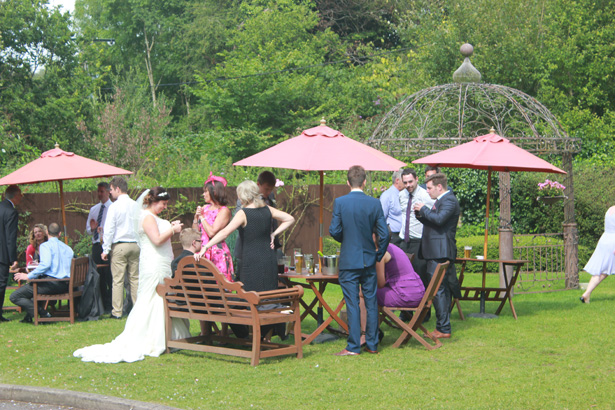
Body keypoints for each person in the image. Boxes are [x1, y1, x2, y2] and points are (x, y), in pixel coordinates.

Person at [74, 187, 190, 363]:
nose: (165, 207)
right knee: (153, 296)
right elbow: (157, 240)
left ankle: (169, 335)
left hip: (161, 260)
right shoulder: (147, 217)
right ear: (153, 201)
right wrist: (172, 230)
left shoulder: (153, 216)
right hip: (154, 262)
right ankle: (152, 337)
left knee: (161, 296)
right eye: (163, 204)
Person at [329, 166, 389, 356]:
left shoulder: (340, 202)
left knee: (352, 303)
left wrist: (345, 240)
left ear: (348, 183)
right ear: (364, 182)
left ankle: (354, 346)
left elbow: (334, 230)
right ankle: (372, 344)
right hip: (368, 261)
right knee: (371, 302)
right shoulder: (374, 203)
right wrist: (378, 255)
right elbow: (384, 234)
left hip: (349, 261)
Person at [196, 180, 294, 293]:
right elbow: (290, 219)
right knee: (268, 291)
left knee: (251, 294)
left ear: (242, 195)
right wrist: (274, 233)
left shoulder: (243, 213)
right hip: (268, 258)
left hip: (251, 259)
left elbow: (225, 232)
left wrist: (206, 246)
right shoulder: (268, 209)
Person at [413, 173, 460, 340]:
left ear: (439, 187)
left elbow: (439, 220)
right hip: (436, 250)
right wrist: (420, 214)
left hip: (440, 251)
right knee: (441, 289)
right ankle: (443, 326)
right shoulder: (442, 201)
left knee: (438, 289)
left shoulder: (449, 200)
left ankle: (443, 327)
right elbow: (435, 223)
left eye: (430, 188)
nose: (428, 191)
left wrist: (424, 209)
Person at [11, 223, 73, 323]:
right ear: (60, 234)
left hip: (51, 284)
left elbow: (45, 265)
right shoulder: (68, 248)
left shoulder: (45, 246)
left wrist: (28, 276)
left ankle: (43, 313)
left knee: (15, 296)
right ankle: (34, 315)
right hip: (66, 285)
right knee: (34, 286)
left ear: (47, 232)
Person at [102, 176, 140, 319]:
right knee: (135, 279)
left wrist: (105, 250)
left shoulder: (114, 206)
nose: (110, 193)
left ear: (117, 189)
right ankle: (137, 310)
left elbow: (109, 229)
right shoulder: (136, 205)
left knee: (117, 280)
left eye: (111, 190)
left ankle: (117, 312)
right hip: (135, 245)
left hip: (120, 245)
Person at [234, 171, 281, 275]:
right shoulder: (246, 197)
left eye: (271, 190)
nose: (269, 192)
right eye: (266, 189)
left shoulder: (271, 197)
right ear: (258, 184)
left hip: (269, 246)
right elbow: (238, 219)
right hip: (249, 249)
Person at [192, 172, 234, 282]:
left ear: (214, 192)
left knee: (220, 286)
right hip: (202, 252)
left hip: (217, 253)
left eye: (206, 191)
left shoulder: (224, 211)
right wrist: (196, 218)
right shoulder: (205, 208)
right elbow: (195, 232)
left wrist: (202, 217)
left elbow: (212, 233)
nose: (203, 194)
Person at [398, 168, 434, 292]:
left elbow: (433, 216)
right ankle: (405, 310)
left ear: (417, 179)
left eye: (410, 181)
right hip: (404, 242)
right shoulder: (401, 195)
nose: (408, 185)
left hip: (419, 242)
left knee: (420, 276)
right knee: (403, 277)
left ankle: (424, 309)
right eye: (405, 182)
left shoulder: (425, 195)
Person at [85, 182, 113, 312]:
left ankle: (112, 302)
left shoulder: (113, 208)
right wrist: (92, 228)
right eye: (98, 191)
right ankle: (102, 303)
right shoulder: (94, 209)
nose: (99, 194)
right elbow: (88, 230)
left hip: (109, 245)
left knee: (110, 274)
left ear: (108, 192)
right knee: (98, 274)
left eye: (102, 191)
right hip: (97, 245)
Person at [580, 206, 615, 303]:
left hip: (605, 240)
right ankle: (587, 293)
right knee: (603, 271)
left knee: (601, 271)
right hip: (613, 242)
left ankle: (587, 293)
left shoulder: (610, 209)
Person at [0, 184, 23, 322]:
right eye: (20, 195)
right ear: (15, 196)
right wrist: (13, 259)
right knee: (1, 283)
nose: (21, 197)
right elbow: (10, 237)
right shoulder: (11, 212)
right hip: (2, 255)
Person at [379, 169, 405, 246]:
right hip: (394, 236)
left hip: (404, 235)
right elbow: (382, 216)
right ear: (397, 180)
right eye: (404, 181)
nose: (407, 184)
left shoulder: (405, 194)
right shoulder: (387, 196)